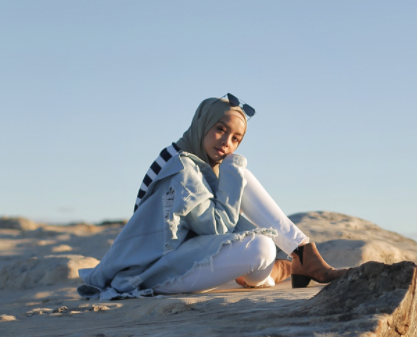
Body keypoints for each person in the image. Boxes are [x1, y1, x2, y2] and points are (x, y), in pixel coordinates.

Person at [77, 95, 347, 300]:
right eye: (220, 129)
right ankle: (291, 264)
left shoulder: (189, 160)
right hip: (155, 271)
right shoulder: (182, 169)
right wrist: (231, 172)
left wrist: (231, 173)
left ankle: (301, 255)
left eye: (236, 139)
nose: (226, 142)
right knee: (261, 246)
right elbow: (219, 226)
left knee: (245, 191)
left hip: (184, 255)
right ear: (202, 124)